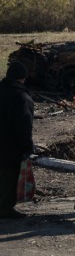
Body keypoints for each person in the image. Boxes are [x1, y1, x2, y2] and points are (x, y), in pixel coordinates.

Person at [0, 61, 35, 219]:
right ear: (23, 78)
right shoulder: (21, 96)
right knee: (9, 175)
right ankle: (5, 208)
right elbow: (24, 125)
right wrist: (27, 146)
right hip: (11, 144)